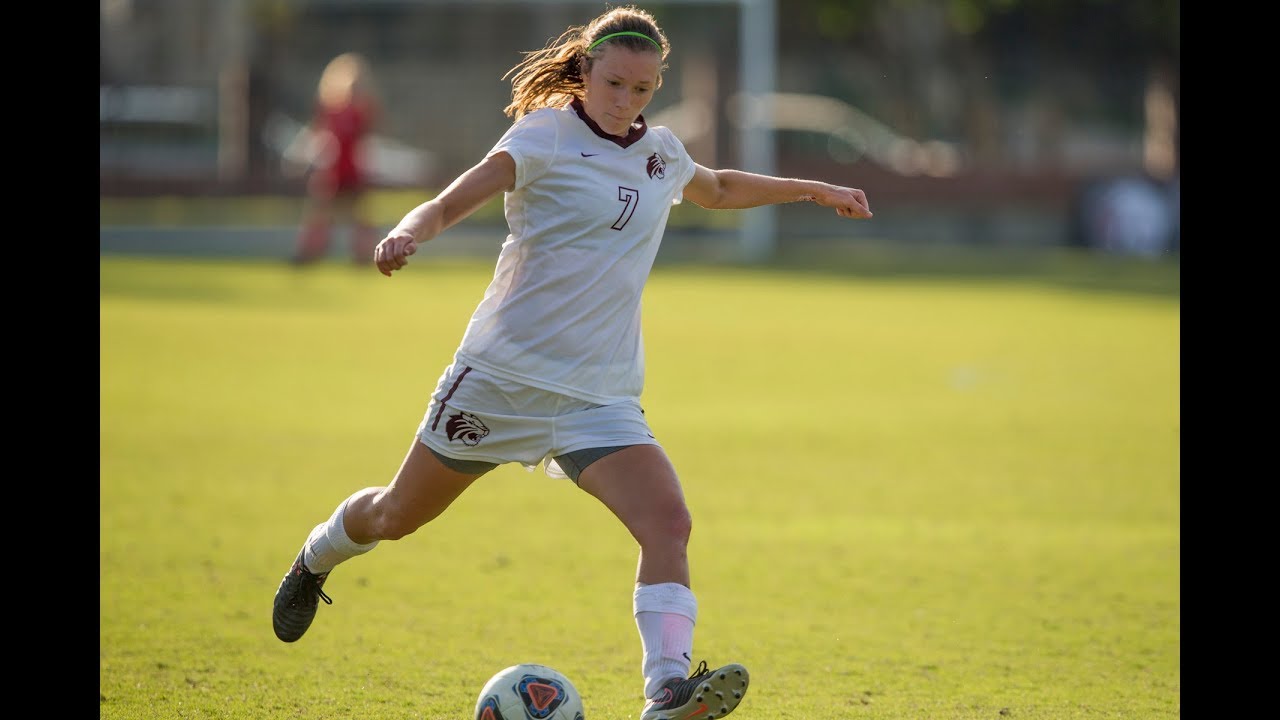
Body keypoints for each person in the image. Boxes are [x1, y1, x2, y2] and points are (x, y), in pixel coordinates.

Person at [271, 6, 871, 719]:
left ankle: (667, 691)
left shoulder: (661, 152)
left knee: (668, 523)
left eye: (643, 90)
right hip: (500, 381)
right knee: (397, 515)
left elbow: (715, 189)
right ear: (584, 71)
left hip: (599, 396)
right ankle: (316, 557)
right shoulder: (544, 135)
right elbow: (451, 198)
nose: (627, 103)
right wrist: (407, 232)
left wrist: (814, 189)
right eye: (615, 84)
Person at [286, 52, 381, 266]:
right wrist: (302, 159)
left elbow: (365, 143)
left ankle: (367, 255)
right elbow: (317, 136)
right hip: (332, 172)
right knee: (318, 216)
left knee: (360, 218)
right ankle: (309, 253)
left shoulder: (362, 111)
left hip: (353, 172)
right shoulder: (331, 110)